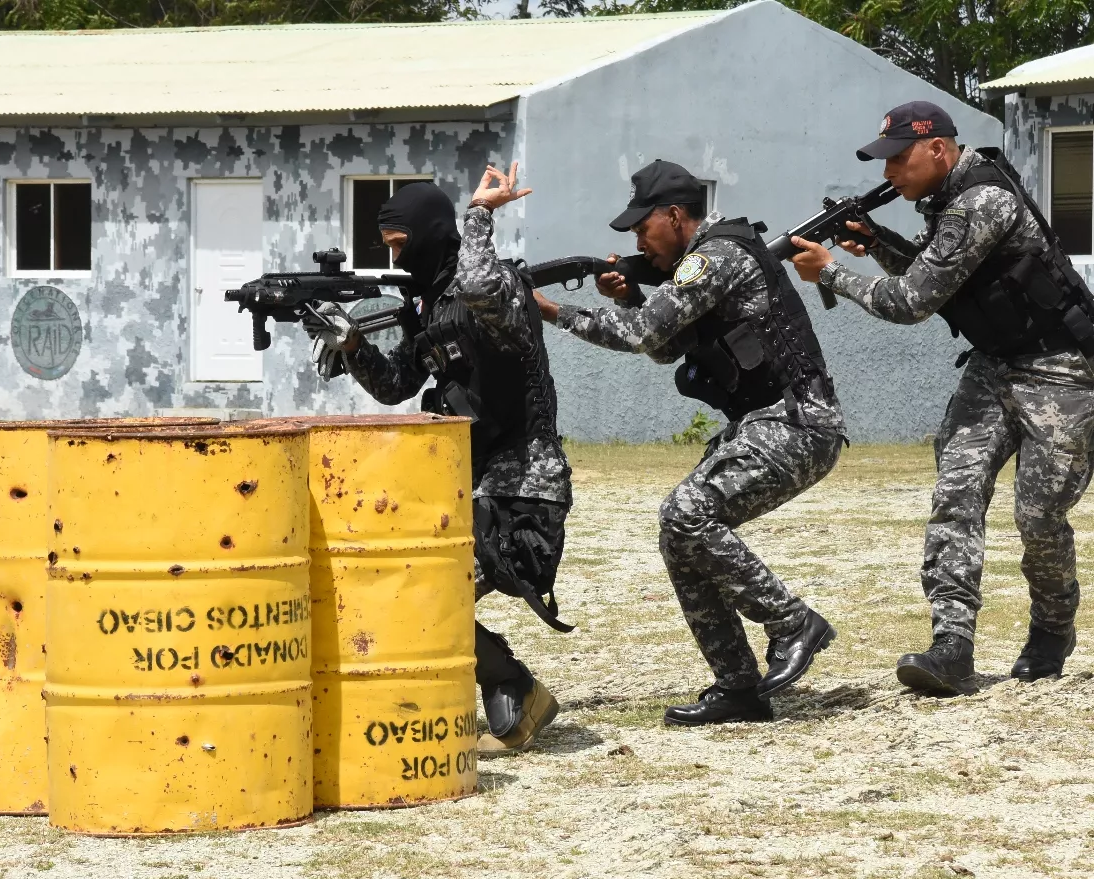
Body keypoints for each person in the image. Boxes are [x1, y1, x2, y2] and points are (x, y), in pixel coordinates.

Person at [790, 101, 1094, 695]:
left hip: (1062, 371)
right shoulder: (948, 201)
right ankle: (951, 646)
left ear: (939, 149)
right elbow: (948, 282)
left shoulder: (980, 201)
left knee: (1038, 519)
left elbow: (911, 302)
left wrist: (829, 272)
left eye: (899, 159)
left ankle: (1051, 631)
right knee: (956, 495)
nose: (889, 175)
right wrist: (877, 241)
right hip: (993, 367)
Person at [535, 159, 846, 726]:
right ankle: (739, 688)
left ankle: (792, 622)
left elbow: (642, 335)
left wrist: (553, 311)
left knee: (686, 513)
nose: (636, 241)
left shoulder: (714, 257)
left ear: (675, 216)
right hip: (769, 422)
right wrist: (631, 296)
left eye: (641, 228)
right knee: (679, 532)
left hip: (798, 422)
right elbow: (664, 347)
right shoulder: (696, 265)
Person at [305, 166, 573, 755]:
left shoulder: (492, 285)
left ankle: (514, 688)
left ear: (433, 231)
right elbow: (397, 385)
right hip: (465, 484)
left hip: (523, 489)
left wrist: (480, 213)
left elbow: (476, 286)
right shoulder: (426, 305)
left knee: (426, 593)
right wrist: (353, 344)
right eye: (389, 246)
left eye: (403, 243)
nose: (397, 257)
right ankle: (507, 689)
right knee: (403, 588)